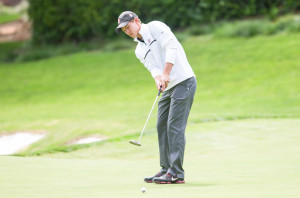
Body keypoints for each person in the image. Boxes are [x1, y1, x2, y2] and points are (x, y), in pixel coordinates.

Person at [115, 11, 197, 184]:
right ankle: (166, 169)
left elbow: (171, 46)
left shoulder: (155, 27)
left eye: (128, 27)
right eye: (124, 30)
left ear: (136, 21)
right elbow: (152, 67)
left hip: (184, 81)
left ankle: (176, 173)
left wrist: (166, 72)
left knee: (174, 127)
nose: (127, 31)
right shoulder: (139, 49)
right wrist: (158, 79)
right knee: (161, 126)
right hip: (168, 88)